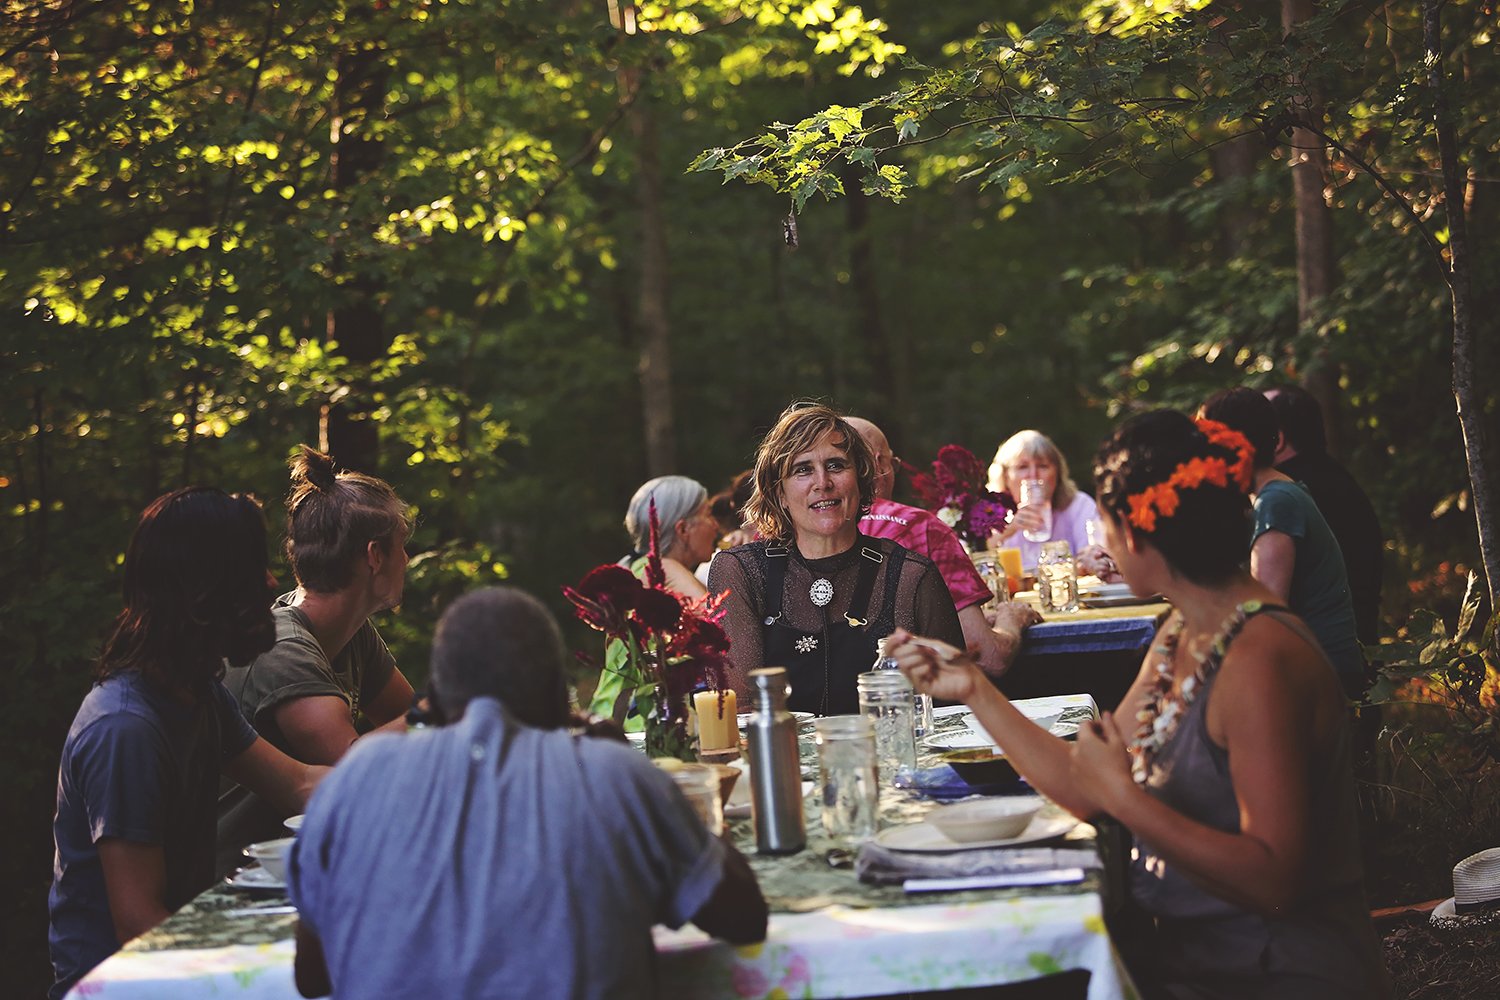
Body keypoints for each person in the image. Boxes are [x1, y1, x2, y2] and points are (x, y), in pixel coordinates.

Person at [888, 411, 1392, 999]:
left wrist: (1125, 798)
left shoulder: (1259, 658)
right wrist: (975, 691)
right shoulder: (1184, 631)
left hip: (1275, 975)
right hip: (1187, 960)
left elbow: (1273, 879)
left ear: (1130, 531)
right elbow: (1084, 785)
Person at [287, 587, 767, 999]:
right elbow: (744, 917)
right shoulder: (612, 775)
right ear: (561, 698)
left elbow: (312, 976)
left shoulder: (353, 782)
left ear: (433, 701)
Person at [49, 488, 326, 998]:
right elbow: (140, 925)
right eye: (253, 569)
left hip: (182, 959)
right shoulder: (125, 730)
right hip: (125, 984)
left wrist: (411, 770)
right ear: (206, 590)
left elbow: (301, 784)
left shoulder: (196, 692)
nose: (270, 583)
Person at [218, 447, 416, 869]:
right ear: (374, 556)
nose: (407, 559)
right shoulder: (281, 647)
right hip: (240, 888)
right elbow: (353, 771)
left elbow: (413, 725)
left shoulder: (353, 634)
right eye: (401, 546)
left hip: (308, 871)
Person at [707, 402, 963, 715]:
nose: (822, 482)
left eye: (836, 465)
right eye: (802, 470)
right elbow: (739, 710)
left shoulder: (911, 576)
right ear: (780, 495)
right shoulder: (741, 572)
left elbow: (951, 714)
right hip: (781, 760)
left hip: (889, 760)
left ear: (862, 480)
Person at [1200, 388, 1365, 697]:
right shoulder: (1274, 495)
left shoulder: (1277, 502)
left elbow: (1263, 613)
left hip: (1324, 676)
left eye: (1207, 441)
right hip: (1310, 666)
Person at [846, 416, 1040, 677]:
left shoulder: (792, 535)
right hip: (909, 704)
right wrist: (1011, 619)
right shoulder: (922, 528)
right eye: (892, 463)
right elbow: (989, 657)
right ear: (877, 462)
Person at [587, 475, 720, 723]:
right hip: (639, 724)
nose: (716, 526)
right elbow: (726, 623)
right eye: (708, 514)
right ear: (683, 529)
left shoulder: (636, 568)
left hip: (611, 716)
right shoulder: (664, 569)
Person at [1265, 385, 1384, 645]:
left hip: (1322, 659)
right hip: (1356, 647)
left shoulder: (1284, 495)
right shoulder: (1336, 478)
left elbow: (1266, 606)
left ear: (1277, 438)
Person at [986, 429, 1106, 573]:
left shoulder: (1078, 505)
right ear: (1005, 476)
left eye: (1042, 466)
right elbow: (975, 566)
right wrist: (1006, 531)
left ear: (1057, 473)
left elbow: (1095, 555)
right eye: (1022, 467)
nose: (1033, 475)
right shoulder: (990, 514)